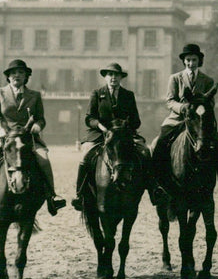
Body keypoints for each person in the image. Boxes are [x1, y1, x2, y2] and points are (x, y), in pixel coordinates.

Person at [0, 59, 66, 218]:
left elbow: (41, 118)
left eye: (21, 73)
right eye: (13, 73)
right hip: (3, 136)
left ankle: (52, 197)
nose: (17, 76)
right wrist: (0, 129)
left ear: (26, 76)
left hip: (28, 137)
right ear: (8, 77)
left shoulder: (34, 95)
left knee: (44, 159)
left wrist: (38, 126)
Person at [71, 63, 167, 210]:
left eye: (116, 75)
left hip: (124, 135)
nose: (113, 78)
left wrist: (126, 127)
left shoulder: (128, 95)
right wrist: (101, 126)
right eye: (110, 75)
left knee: (145, 151)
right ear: (105, 77)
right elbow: (89, 118)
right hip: (100, 134)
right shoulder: (97, 94)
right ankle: (80, 194)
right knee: (86, 155)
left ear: (121, 78)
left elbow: (136, 120)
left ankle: (154, 190)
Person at [152, 44, 218, 194]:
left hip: (199, 121)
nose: (191, 63)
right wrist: (184, 108)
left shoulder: (207, 80)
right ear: (184, 61)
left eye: (194, 60)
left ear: (199, 60)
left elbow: (210, 103)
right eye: (188, 60)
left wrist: (199, 109)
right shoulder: (175, 78)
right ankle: (157, 183)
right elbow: (169, 101)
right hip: (177, 119)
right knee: (160, 142)